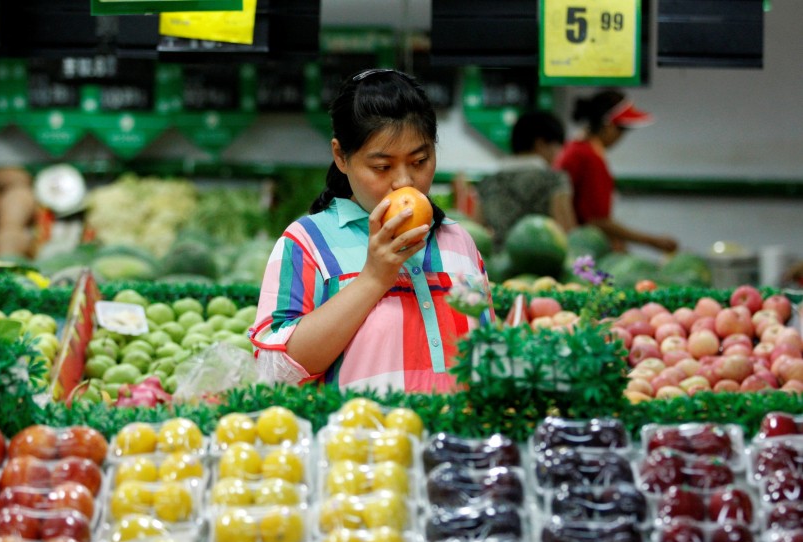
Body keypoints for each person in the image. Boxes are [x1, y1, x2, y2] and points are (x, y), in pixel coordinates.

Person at [251, 68, 491, 394]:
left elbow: (488, 350)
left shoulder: (458, 241)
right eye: (382, 167)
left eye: (420, 161)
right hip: (358, 441)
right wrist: (374, 278)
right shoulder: (307, 243)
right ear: (341, 156)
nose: (404, 182)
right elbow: (274, 372)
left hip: (456, 440)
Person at [555, 89, 678, 253]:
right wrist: (652, 240)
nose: (622, 137)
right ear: (608, 125)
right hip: (581, 250)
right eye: (622, 129)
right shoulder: (588, 157)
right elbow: (597, 220)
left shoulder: (574, 149)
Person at [474, 109, 577, 248]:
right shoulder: (554, 180)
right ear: (541, 143)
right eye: (557, 147)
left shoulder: (488, 183)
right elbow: (567, 232)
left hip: (497, 265)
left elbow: (476, 234)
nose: (558, 154)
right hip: (542, 263)